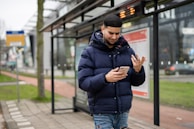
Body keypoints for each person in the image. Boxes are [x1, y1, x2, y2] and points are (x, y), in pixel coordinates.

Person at [78, 14, 146, 129]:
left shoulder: (128, 51)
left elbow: (137, 82)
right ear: (102, 29)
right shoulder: (89, 52)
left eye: (117, 33)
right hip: (102, 112)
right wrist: (105, 78)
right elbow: (83, 82)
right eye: (111, 33)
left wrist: (138, 70)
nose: (114, 37)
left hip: (123, 111)